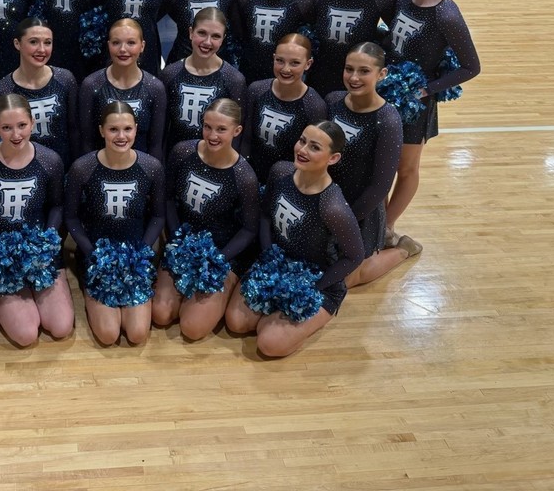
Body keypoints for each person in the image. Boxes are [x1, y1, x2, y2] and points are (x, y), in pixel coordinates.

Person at [224, 122, 363, 358]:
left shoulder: (333, 206)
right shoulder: (281, 172)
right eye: (302, 141)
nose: (303, 150)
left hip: (313, 280)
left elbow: (355, 255)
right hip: (275, 265)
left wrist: (314, 286)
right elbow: (266, 215)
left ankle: (400, 252)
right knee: (236, 323)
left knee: (269, 343)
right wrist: (269, 256)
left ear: (333, 158)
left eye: (315, 147)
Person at [0, 94, 73, 346]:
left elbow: (57, 206)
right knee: (26, 335)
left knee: (61, 327)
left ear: (32, 123)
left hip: (38, 253)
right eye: (7, 127)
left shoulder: (50, 160)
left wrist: (46, 241)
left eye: (21, 125)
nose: (16, 134)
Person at [382, 0, 480, 240]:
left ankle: (387, 227)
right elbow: (394, 38)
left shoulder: (446, 15)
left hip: (415, 103)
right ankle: (375, 224)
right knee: (382, 162)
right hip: (386, 93)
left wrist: (425, 90)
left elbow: (471, 67)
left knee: (406, 167)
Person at [152, 99, 259, 340]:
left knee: (192, 328)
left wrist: (219, 259)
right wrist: (177, 239)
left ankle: (229, 287)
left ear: (237, 131)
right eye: (208, 126)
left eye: (221, 129)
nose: (212, 135)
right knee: (160, 314)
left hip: (220, 252)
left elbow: (249, 229)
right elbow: (168, 200)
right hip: (184, 243)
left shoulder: (244, 176)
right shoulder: (183, 152)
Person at [65, 102, 166, 345]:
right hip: (97, 257)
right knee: (108, 335)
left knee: (137, 334)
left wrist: (143, 250)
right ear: (101, 131)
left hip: (135, 258)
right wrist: (92, 254)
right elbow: (71, 217)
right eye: (113, 130)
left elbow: (158, 216)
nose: (121, 136)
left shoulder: (151, 167)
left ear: (136, 129)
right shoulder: (83, 168)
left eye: (127, 129)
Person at [325, 44, 409, 287]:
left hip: (361, 208)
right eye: (349, 69)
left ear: (381, 74)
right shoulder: (333, 101)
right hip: (326, 201)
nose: (354, 77)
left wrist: (345, 221)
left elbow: (381, 185)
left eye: (364, 71)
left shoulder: (388, 120)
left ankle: (400, 250)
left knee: (346, 280)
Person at [0, 17, 80, 168]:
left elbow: (74, 130)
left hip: (61, 169)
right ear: (17, 44)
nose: (42, 49)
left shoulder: (65, 80)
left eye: (47, 43)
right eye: (33, 42)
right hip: (20, 170)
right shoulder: (2, 90)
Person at [78, 17, 167, 160]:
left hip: (142, 171)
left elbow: (156, 145)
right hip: (101, 169)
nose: (123, 49)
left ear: (142, 46)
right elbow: (86, 143)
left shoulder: (155, 88)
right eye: (116, 43)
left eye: (131, 43)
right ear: (108, 45)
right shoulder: (91, 85)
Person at [241, 32, 326, 184]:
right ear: (273, 58)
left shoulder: (314, 106)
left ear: (308, 64)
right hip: (250, 174)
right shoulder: (256, 90)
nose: (286, 69)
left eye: (294, 63)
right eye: (280, 60)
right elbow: (245, 138)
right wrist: (244, 173)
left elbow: (310, 156)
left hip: (287, 182)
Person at [161, 8, 246, 152]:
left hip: (214, 160)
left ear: (223, 39)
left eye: (216, 36)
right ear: (190, 32)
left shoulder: (234, 80)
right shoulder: (170, 74)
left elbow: (235, 135)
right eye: (202, 33)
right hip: (175, 158)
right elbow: (161, 129)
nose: (207, 42)